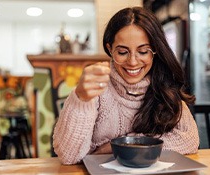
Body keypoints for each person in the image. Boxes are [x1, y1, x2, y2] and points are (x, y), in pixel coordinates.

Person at [53, 7, 199, 165]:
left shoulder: (165, 86)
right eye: (123, 52)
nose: (133, 62)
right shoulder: (96, 87)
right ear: (110, 49)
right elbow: (68, 156)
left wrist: (116, 146)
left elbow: (189, 140)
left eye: (143, 51)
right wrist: (80, 100)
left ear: (155, 50)